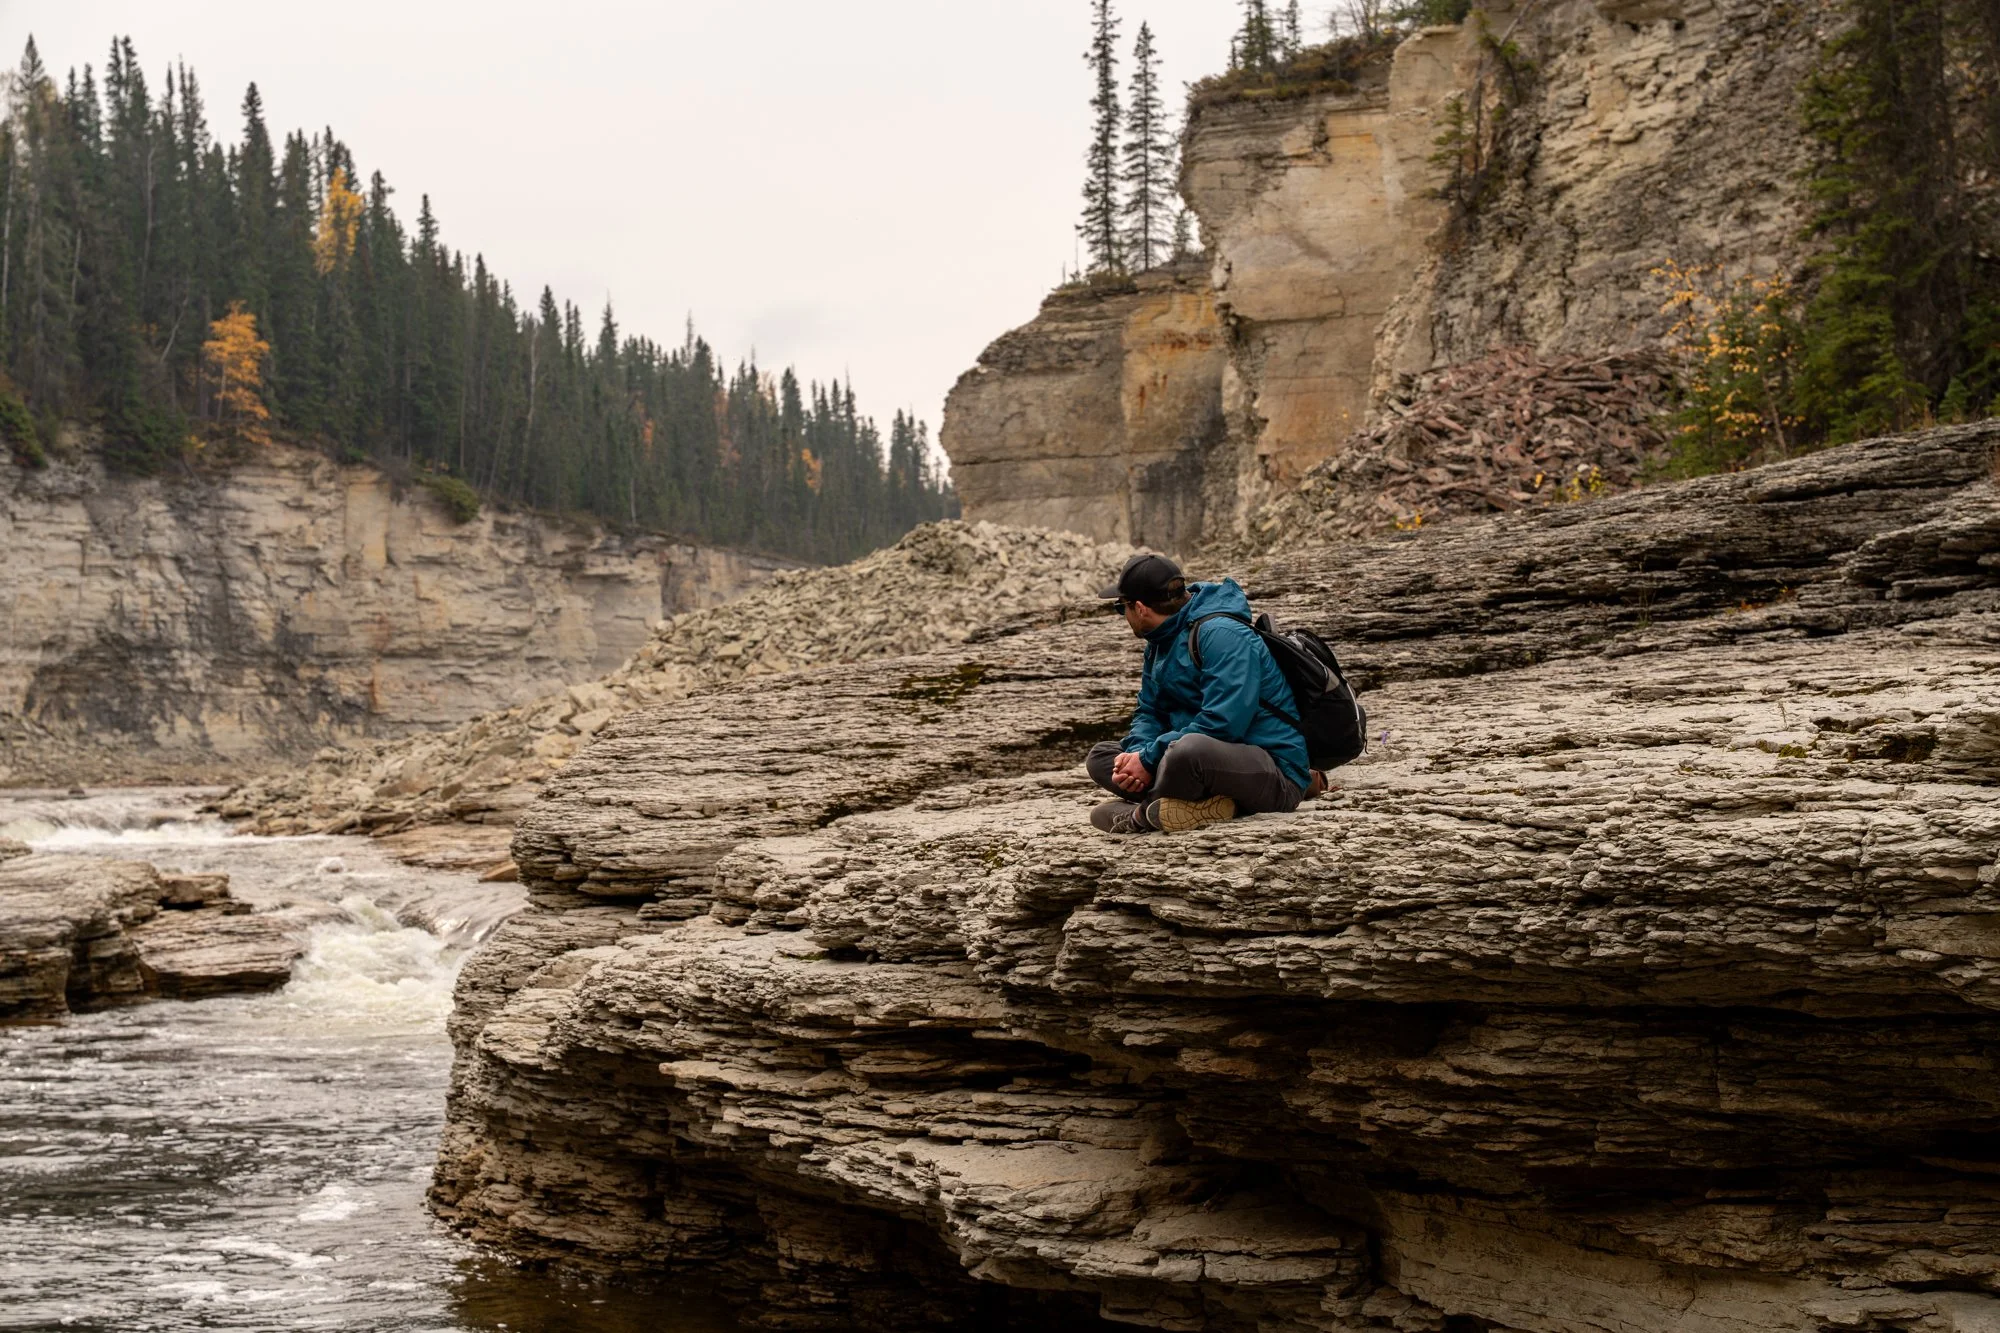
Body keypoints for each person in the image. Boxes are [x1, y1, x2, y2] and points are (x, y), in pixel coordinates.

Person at [1087, 553, 1323, 835]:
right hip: (1198, 764)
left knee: (1187, 752)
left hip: (1272, 769)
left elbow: (1223, 724)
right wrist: (1138, 755)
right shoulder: (1159, 643)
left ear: (1139, 608)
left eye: (1120, 606)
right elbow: (1150, 711)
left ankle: (1142, 815)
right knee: (1101, 758)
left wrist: (1149, 761)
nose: (1122, 614)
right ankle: (1190, 807)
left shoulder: (1223, 635)